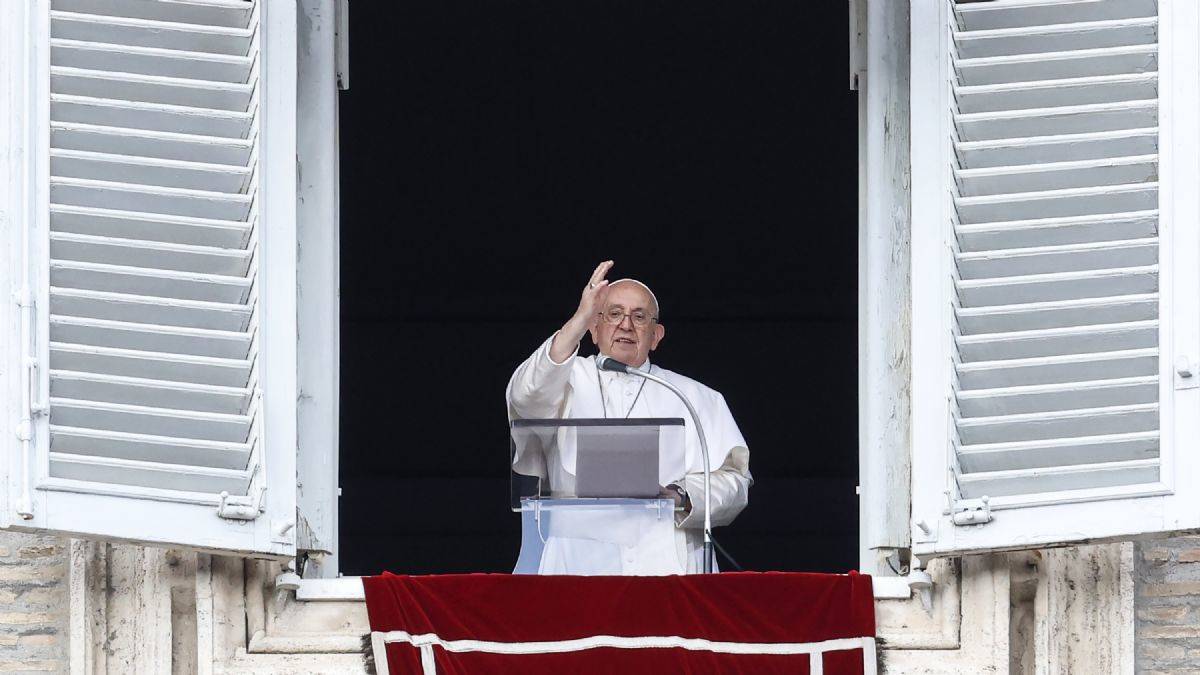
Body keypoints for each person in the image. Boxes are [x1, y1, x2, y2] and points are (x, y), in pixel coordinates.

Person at [506, 260, 752, 574]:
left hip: (667, 563)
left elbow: (734, 481)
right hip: (578, 562)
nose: (626, 325)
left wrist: (682, 495)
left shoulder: (694, 396)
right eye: (614, 314)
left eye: (639, 317)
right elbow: (525, 396)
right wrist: (579, 317)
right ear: (594, 328)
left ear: (656, 336)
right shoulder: (564, 377)